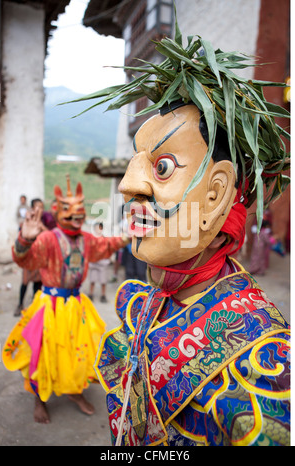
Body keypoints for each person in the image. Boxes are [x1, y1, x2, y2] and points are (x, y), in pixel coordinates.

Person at [89, 21, 290, 446]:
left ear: (217, 194)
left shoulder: (269, 368)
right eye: (136, 162)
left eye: (161, 167)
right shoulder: (148, 301)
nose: (128, 185)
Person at [2, 176, 129, 424]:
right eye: (69, 213)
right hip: (49, 307)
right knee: (44, 355)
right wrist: (24, 240)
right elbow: (24, 260)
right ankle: (39, 399)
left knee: (79, 354)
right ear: (58, 211)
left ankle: (74, 391)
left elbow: (105, 245)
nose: (76, 218)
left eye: (79, 213)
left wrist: (130, 235)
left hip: (76, 306)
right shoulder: (49, 239)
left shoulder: (85, 238)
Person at [88, 222, 110, 303]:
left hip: (102, 262)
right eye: (96, 228)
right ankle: (91, 294)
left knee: (103, 280)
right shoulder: (92, 239)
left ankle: (103, 295)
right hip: (94, 262)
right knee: (92, 279)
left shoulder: (105, 239)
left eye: (99, 228)